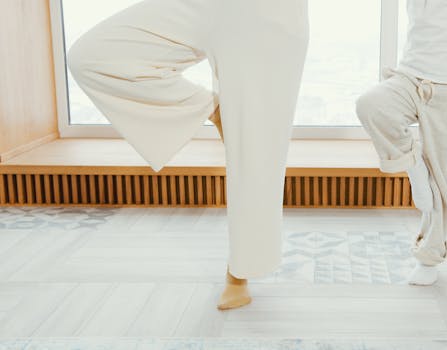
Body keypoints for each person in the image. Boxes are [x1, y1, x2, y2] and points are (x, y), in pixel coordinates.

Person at [67, 0, 310, 310]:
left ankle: (239, 272)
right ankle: (212, 108)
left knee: (256, 151)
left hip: (266, 12)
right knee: (91, 55)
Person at [356, 0, 447, 285]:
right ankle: (413, 164)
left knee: (442, 184)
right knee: (372, 106)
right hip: (410, 78)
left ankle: (428, 258)